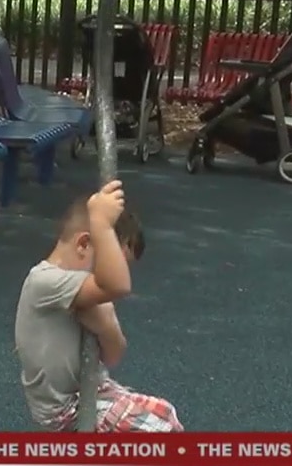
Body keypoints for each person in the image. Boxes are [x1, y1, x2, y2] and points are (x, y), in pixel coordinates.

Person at [14, 180, 181, 433]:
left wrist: (106, 327)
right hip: (64, 409)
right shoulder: (44, 282)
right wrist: (101, 223)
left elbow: (113, 356)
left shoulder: (83, 291)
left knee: (165, 413)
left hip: (96, 390)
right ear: (83, 244)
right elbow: (118, 285)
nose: (113, 272)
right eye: (111, 262)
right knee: (159, 429)